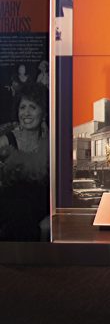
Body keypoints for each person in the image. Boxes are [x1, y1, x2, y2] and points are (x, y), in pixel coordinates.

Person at [0, 83, 50, 241]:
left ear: (43, 113)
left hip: (41, 209)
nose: (26, 113)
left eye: (33, 107)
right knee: (20, 209)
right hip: (11, 212)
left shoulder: (51, 142)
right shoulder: (5, 141)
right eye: (22, 107)